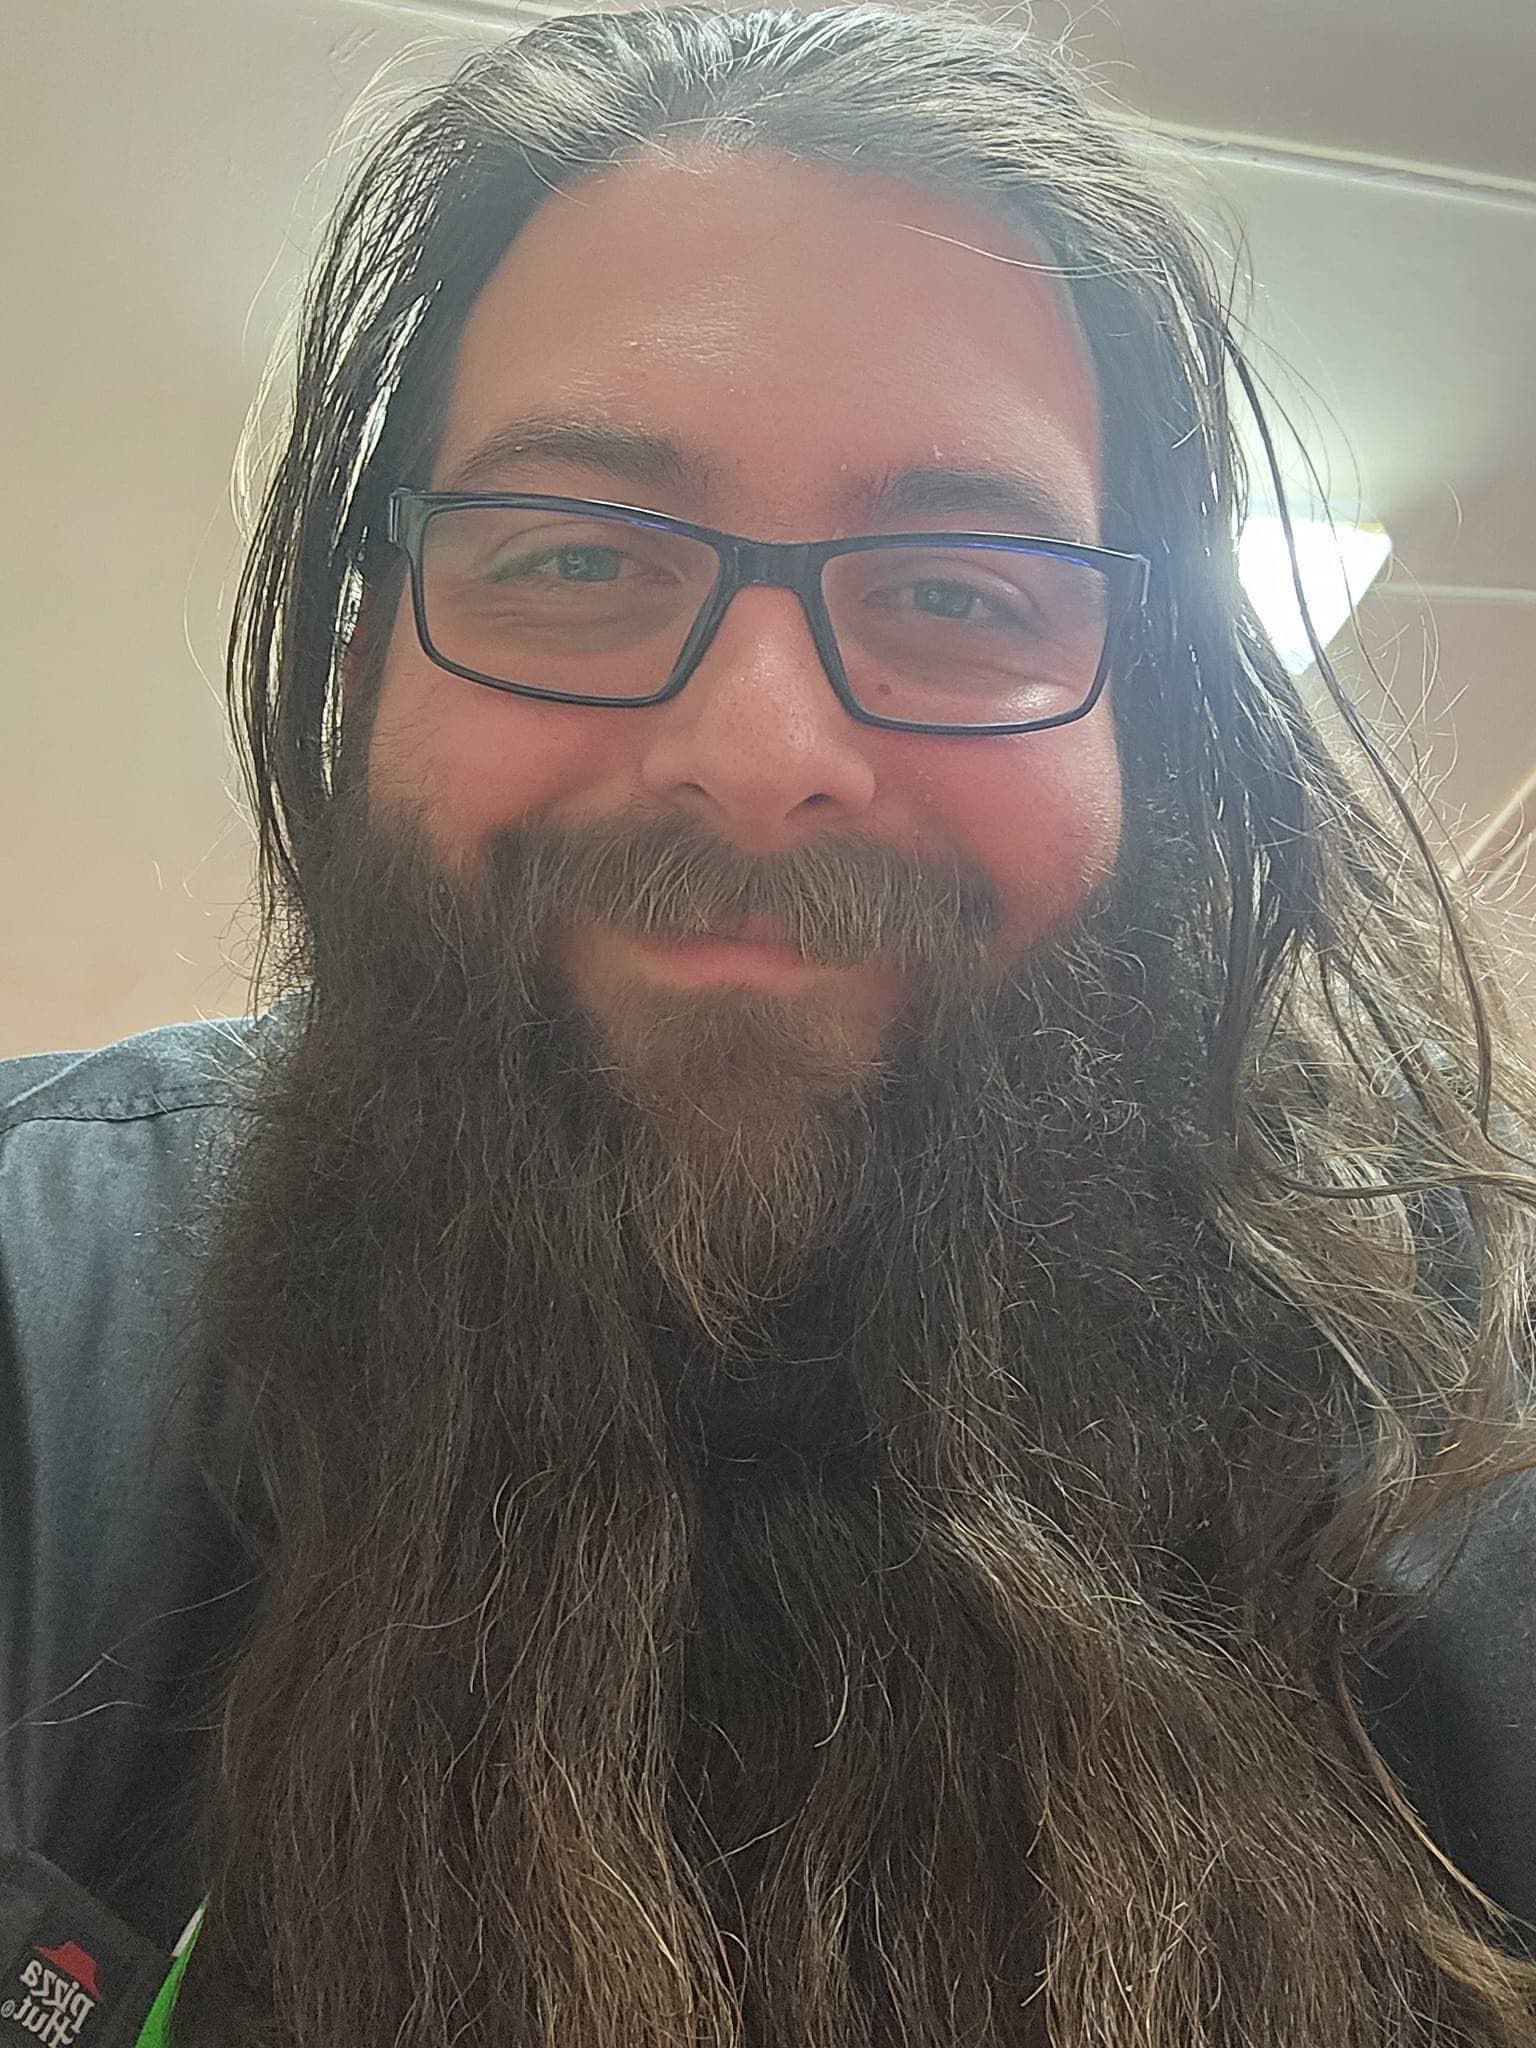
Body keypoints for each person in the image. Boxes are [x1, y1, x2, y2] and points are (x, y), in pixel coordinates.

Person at [3, 6, 1534, 2043]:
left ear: (1146, 739)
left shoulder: (1469, 1422)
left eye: (961, 594)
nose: (758, 753)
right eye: (572, 557)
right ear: (364, 668)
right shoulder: (46, 1306)